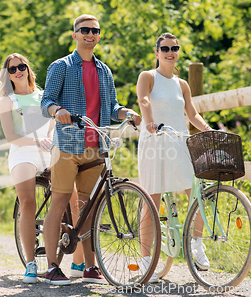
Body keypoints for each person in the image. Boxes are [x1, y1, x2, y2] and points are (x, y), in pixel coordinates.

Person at [41, 14, 142, 285]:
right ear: (74, 34)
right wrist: (58, 110)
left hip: (96, 146)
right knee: (61, 202)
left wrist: (126, 112)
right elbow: (46, 101)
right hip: (67, 145)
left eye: (95, 31)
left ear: (99, 36)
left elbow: (111, 108)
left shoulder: (104, 71)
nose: (90, 34)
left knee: (89, 206)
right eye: (84, 30)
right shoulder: (61, 66)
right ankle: (52, 267)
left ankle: (89, 267)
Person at [0, 53, 84, 283]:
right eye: (12, 69)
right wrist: (37, 142)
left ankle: (78, 260)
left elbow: (53, 126)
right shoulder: (7, 100)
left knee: (73, 197)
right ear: (7, 75)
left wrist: (50, 142)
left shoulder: (43, 96)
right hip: (22, 151)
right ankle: (31, 263)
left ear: (28, 68)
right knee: (28, 203)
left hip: (48, 151)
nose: (18, 71)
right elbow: (11, 136)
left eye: (21, 66)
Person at [136, 32, 212, 283]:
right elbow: (144, 99)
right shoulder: (148, 76)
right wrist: (149, 122)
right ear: (157, 53)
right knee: (152, 199)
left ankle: (196, 244)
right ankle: (146, 259)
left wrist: (206, 129)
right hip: (155, 141)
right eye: (165, 48)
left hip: (179, 142)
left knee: (196, 193)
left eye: (175, 47)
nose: (170, 51)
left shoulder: (182, 84)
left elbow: (191, 112)